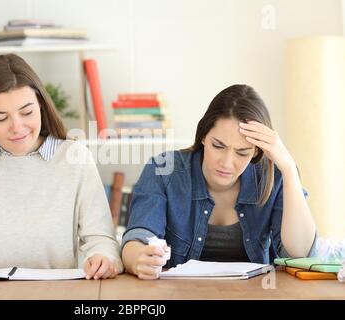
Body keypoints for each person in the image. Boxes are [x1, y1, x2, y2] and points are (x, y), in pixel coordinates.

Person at [0, 53, 122, 279]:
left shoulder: (75, 157)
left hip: (55, 293)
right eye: (0, 118)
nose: (17, 127)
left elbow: (103, 241)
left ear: (40, 104)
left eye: (27, 112)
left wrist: (102, 258)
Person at [121, 84, 317, 279]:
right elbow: (136, 238)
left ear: (256, 151)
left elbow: (300, 253)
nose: (227, 163)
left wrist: (290, 169)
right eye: (218, 146)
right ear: (204, 136)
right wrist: (139, 258)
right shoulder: (163, 170)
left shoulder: (274, 177)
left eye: (242, 152)